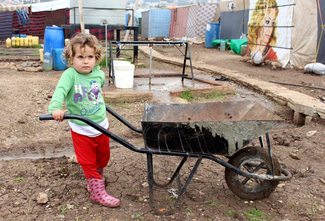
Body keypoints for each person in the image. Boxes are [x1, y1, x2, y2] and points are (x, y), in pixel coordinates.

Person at [49, 33, 120, 208]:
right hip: (82, 129)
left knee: (103, 158)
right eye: (80, 57)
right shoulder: (70, 75)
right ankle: (97, 192)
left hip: (101, 125)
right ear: (71, 58)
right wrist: (56, 108)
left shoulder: (98, 74)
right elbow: (60, 92)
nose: (86, 61)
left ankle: (96, 181)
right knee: (87, 161)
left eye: (90, 57)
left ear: (96, 58)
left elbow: (98, 88)